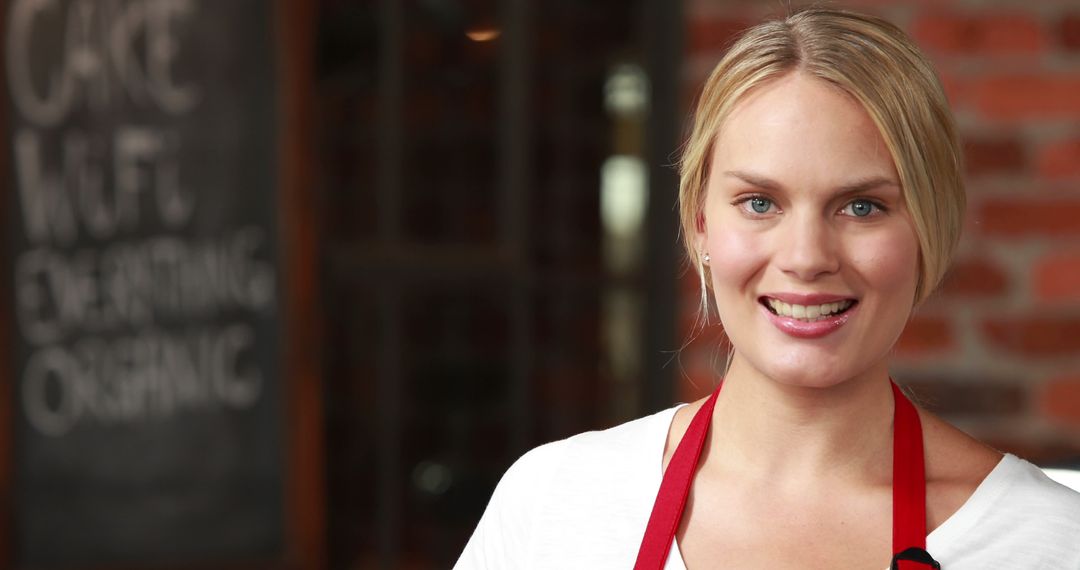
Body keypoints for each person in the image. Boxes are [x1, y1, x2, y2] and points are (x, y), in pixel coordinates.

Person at [456, 7, 1080, 569]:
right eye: (759, 202)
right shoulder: (554, 506)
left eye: (861, 207)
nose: (806, 259)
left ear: (928, 227)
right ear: (700, 224)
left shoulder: (1050, 542)